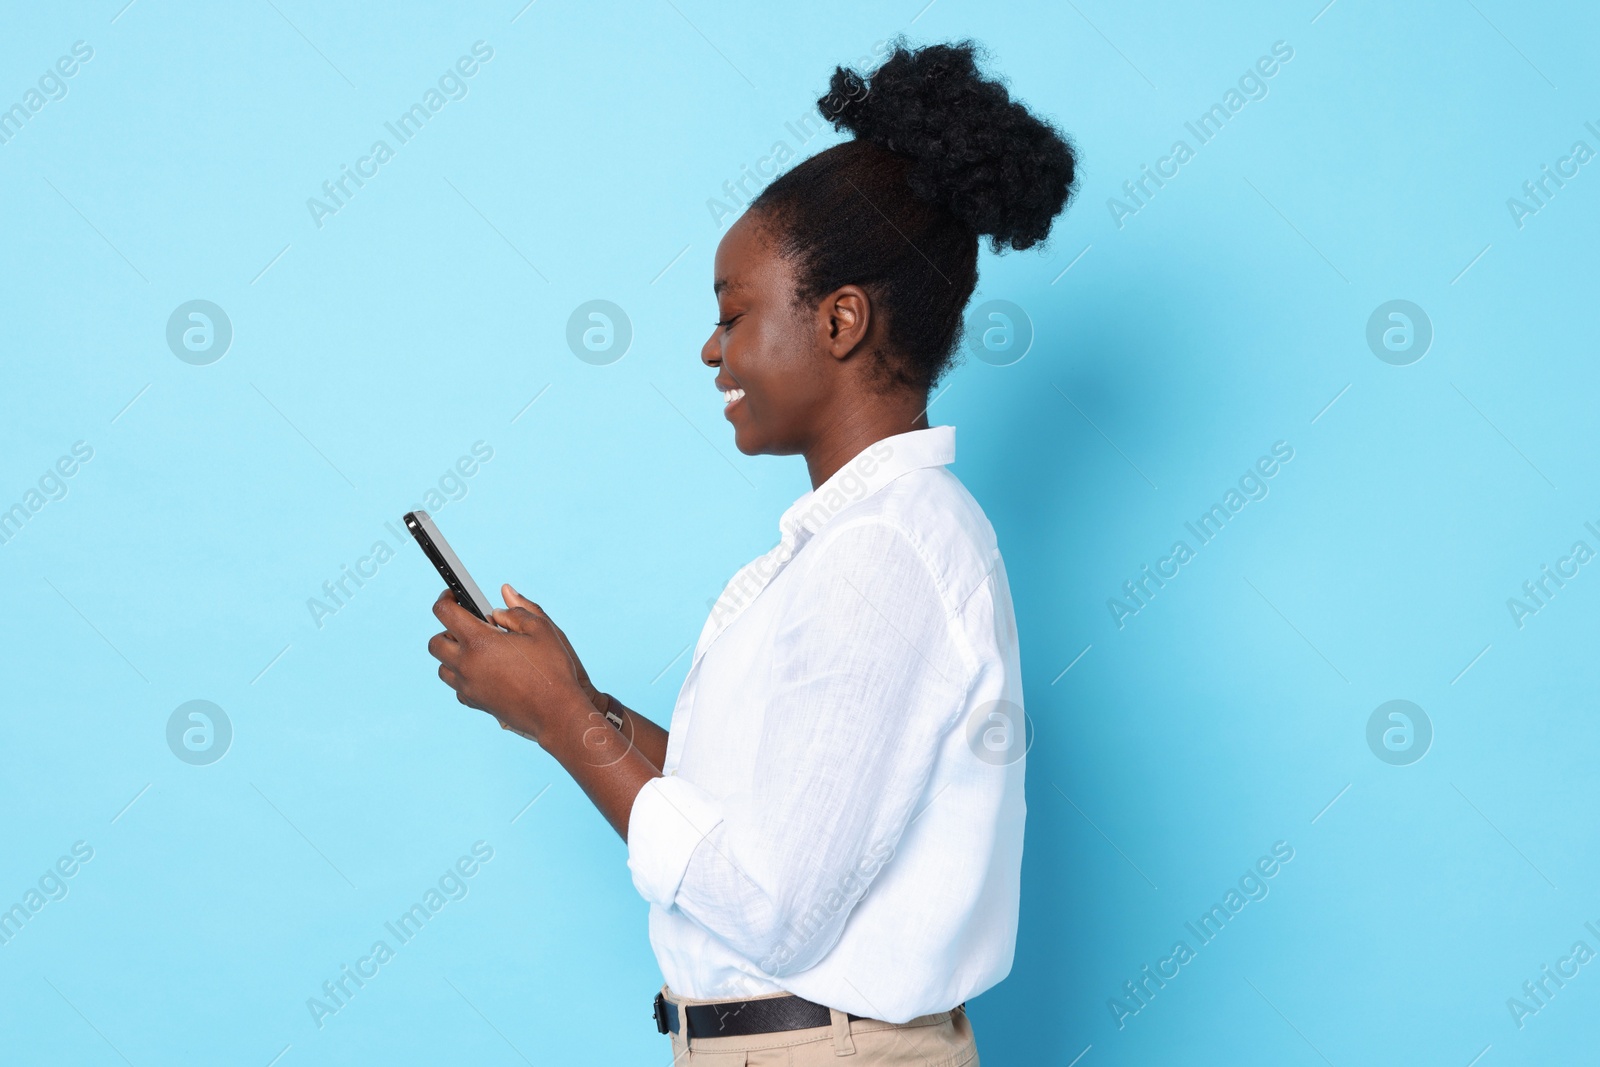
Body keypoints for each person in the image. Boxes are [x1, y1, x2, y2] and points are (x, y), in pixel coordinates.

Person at [425, 38, 1077, 1064]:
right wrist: (580, 694)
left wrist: (559, 719)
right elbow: (754, 826)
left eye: (734, 314)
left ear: (841, 320)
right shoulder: (857, 542)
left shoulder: (887, 554)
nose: (710, 349)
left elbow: (775, 909)